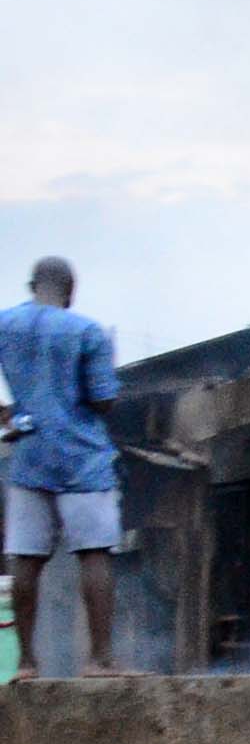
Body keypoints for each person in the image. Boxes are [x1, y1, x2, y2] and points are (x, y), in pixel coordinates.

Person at [0, 257, 122, 676]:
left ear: (32, 284)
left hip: (29, 455)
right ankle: (99, 658)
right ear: (70, 290)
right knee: (94, 553)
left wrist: (10, 415)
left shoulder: (5, 324)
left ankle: (26, 661)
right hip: (81, 458)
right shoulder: (86, 330)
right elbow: (103, 399)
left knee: (26, 558)